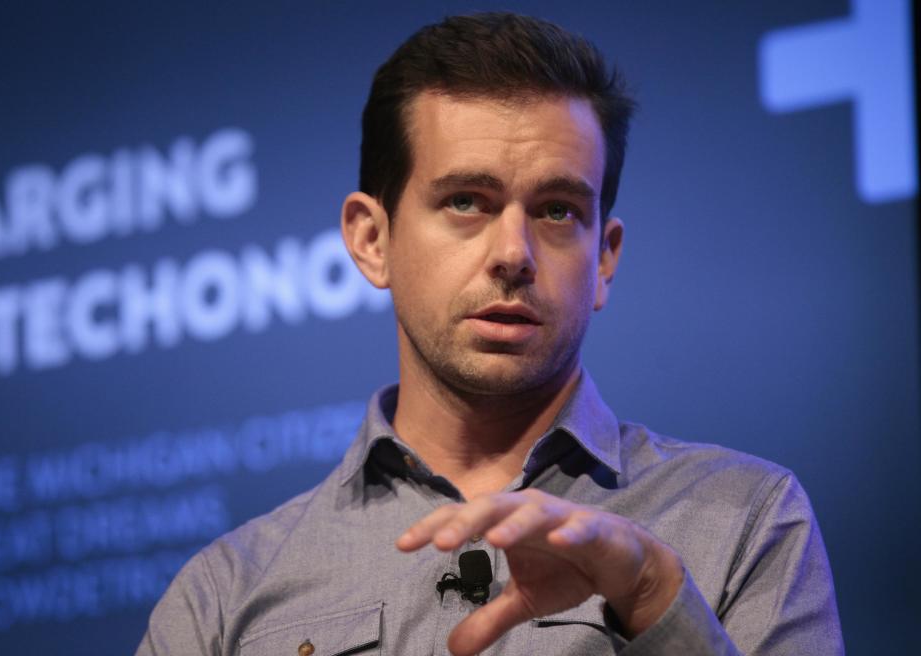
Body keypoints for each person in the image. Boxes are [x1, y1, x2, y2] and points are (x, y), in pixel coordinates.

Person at [137, 12, 842, 655]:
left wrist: (655, 599)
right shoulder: (223, 599)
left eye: (558, 211)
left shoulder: (747, 519)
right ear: (371, 239)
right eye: (466, 201)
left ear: (603, 259)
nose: (513, 253)